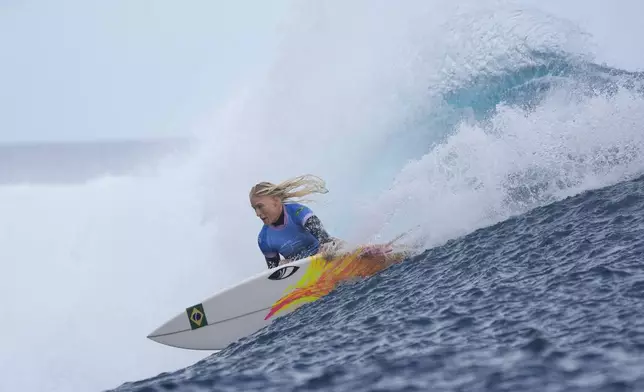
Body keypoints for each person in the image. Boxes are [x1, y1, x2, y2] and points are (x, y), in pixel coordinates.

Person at [249, 174, 341, 269]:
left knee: (331, 246)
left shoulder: (298, 212)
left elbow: (326, 240)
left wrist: (327, 248)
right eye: (254, 208)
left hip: (324, 258)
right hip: (301, 270)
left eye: (260, 206)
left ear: (276, 201)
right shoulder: (264, 239)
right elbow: (273, 273)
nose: (257, 213)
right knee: (281, 266)